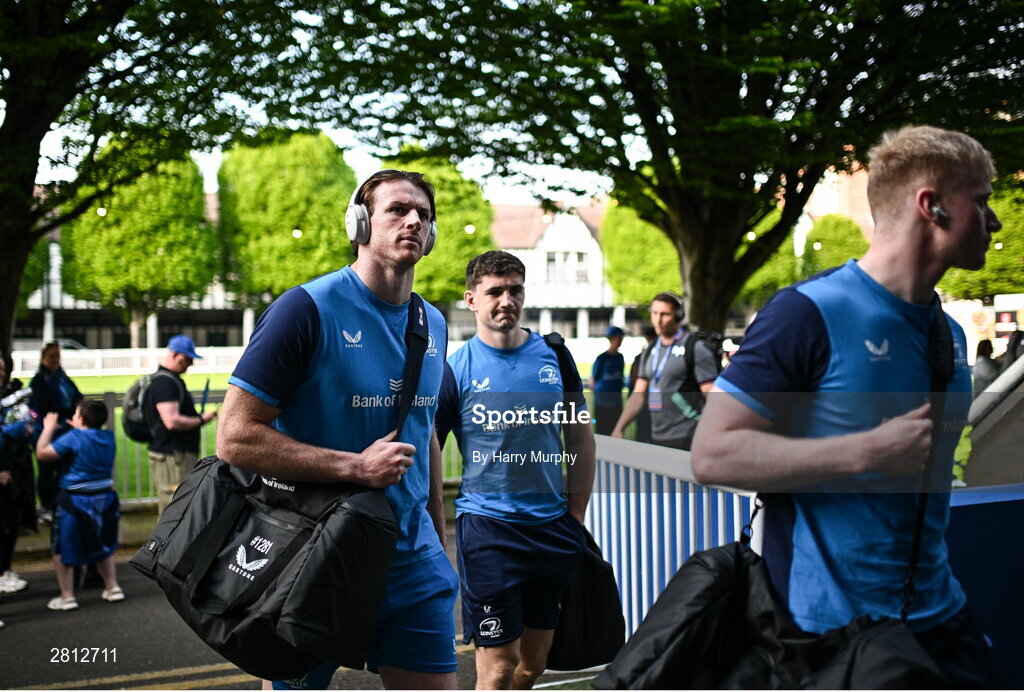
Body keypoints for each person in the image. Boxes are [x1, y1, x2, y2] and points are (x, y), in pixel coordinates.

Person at [691, 125, 1001, 687]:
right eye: (980, 201)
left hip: (939, 614)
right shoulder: (807, 312)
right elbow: (713, 455)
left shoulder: (950, 334)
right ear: (931, 206)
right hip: (828, 634)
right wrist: (863, 452)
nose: (994, 220)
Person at [217, 170, 456, 691]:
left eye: (424, 214)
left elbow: (423, 432)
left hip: (412, 560)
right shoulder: (305, 309)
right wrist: (353, 467)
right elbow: (234, 435)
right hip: (315, 557)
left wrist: (438, 537)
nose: (414, 219)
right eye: (397, 209)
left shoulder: (433, 323)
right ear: (360, 222)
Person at [436, 251, 595, 690]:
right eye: (494, 291)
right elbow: (432, 448)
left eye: (515, 290)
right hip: (489, 529)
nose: (506, 299)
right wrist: (435, 523)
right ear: (471, 299)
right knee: (498, 665)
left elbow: (579, 435)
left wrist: (576, 515)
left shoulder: (555, 356)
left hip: (552, 526)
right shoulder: (455, 369)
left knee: (534, 664)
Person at [35, 400, 124, 611]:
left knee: (62, 546)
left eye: (76, 415)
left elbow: (42, 453)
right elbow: (87, 440)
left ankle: (67, 596)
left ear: (81, 419)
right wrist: (79, 428)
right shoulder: (107, 437)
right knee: (103, 542)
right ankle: (112, 587)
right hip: (105, 499)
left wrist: (48, 429)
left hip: (74, 501)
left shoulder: (73, 438)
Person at [611, 293, 718, 450]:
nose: (658, 320)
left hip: (689, 436)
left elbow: (712, 394)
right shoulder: (650, 351)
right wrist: (619, 428)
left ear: (678, 315)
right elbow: (638, 395)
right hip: (657, 436)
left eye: (665, 314)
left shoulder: (694, 348)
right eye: (654, 313)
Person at [145, 334, 217, 516]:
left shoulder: (169, 380)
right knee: (174, 509)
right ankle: (166, 546)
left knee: (181, 506)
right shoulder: (165, 383)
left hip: (175, 454)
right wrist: (202, 420)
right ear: (175, 354)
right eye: (187, 358)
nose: (190, 364)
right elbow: (172, 421)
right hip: (173, 456)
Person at [29, 343, 82, 521]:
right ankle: (45, 507)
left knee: (62, 470)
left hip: (65, 431)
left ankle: (59, 504)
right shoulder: (39, 380)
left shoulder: (62, 377)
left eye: (57, 355)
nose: (55, 359)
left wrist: (78, 407)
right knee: (47, 471)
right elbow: (46, 406)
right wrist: (69, 411)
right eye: (52, 356)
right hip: (46, 431)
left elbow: (76, 395)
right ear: (43, 358)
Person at [0, 359, 35, 597]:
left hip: (13, 470)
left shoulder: (10, 396)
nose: (2, 373)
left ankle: (5, 571)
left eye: (2, 369)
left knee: (10, 524)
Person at [591, 325, 626, 436]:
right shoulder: (602, 358)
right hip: (603, 403)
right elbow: (593, 380)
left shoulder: (620, 357)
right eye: (619, 338)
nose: (621, 341)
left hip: (616, 403)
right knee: (602, 432)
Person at [628, 326, 657, 443]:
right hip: (644, 400)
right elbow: (634, 380)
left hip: (653, 400)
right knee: (643, 431)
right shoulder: (642, 357)